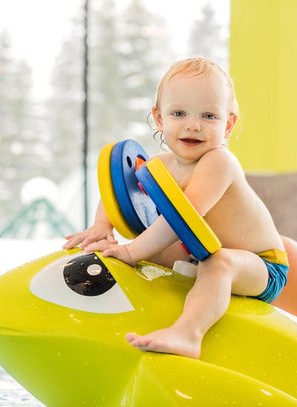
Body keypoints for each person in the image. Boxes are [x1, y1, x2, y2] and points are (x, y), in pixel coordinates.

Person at [63, 57, 287, 359]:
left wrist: (131, 251)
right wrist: (103, 227)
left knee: (217, 264)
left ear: (228, 124)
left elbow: (184, 216)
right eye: (179, 113)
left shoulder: (219, 163)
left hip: (261, 265)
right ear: (159, 118)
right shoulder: (160, 166)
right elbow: (119, 191)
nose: (193, 125)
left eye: (208, 116)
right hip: (200, 252)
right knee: (149, 253)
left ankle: (188, 335)